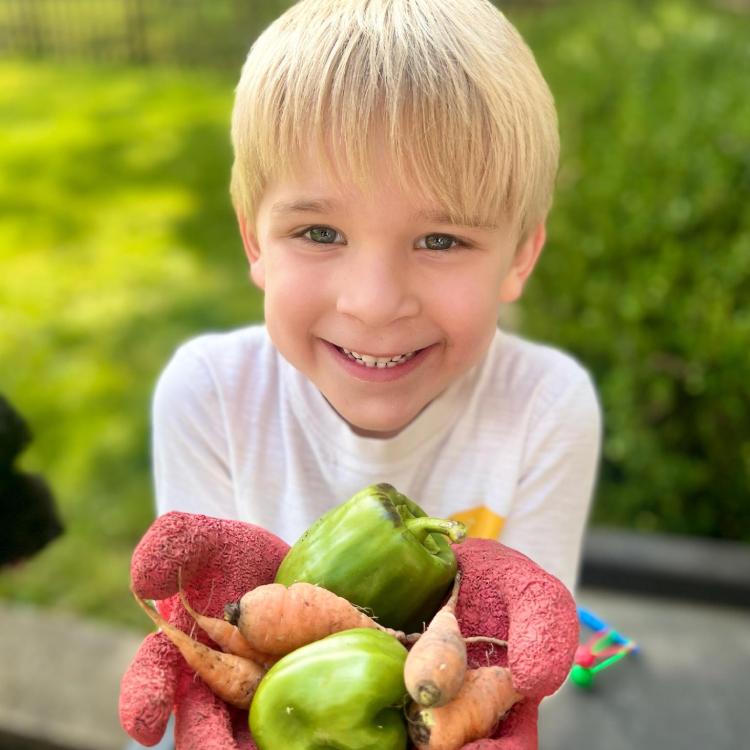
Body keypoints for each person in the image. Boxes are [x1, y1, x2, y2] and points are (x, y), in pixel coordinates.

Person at [122, 1, 600, 747]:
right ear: (254, 238)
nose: (374, 304)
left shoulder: (547, 407)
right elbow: (218, 637)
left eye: (440, 239)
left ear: (519, 258)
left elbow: (522, 664)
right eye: (319, 232)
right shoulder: (209, 393)